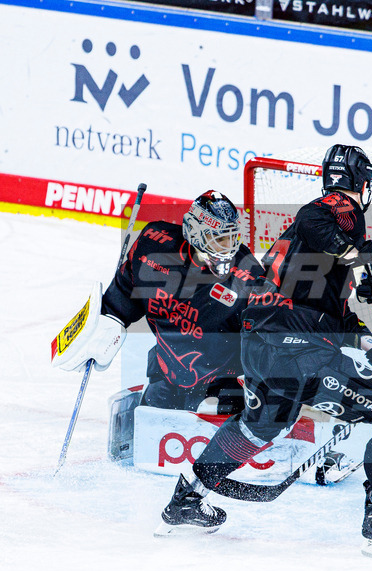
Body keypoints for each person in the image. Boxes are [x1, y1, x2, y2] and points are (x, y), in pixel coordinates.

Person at [154, 145, 372, 560]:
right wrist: (359, 255)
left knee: (261, 425)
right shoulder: (342, 209)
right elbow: (313, 215)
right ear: (363, 182)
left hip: (262, 342)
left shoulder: (320, 249)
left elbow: (331, 317)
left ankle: (187, 500)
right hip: (294, 348)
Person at [51, 190, 264, 443]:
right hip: (167, 371)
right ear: (195, 233)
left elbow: (265, 341)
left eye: (231, 239)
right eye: (218, 239)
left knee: (209, 425)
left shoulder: (248, 277)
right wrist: (106, 321)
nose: (227, 248)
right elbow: (122, 297)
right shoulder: (153, 246)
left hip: (222, 381)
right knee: (149, 431)